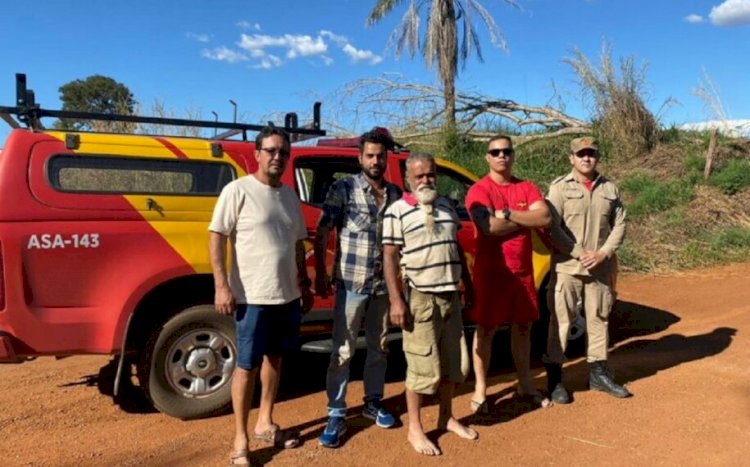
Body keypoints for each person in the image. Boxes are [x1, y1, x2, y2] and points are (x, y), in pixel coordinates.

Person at [209, 126, 314, 466]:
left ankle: (265, 421)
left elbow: (298, 243)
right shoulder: (237, 190)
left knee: (275, 359)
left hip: (287, 296)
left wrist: (304, 284)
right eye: (270, 150)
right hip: (251, 296)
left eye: (283, 152)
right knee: (246, 365)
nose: (277, 157)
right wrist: (221, 285)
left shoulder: (288, 196)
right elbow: (217, 237)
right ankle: (240, 439)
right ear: (256, 154)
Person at [382, 152, 477, 456]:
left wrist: (468, 283)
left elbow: (456, 248)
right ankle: (415, 429)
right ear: (408, 179)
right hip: (420, 298)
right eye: (419, 175)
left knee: (453, 364)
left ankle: (446, 416)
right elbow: (389, 256)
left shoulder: (447, 205)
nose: (426, 180)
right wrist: (396, 300)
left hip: (451, 295)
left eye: (430, 174)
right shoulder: (397, 210)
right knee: (421, 369)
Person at [314, 129, 401, 448]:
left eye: (380, 156)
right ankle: (336, 412)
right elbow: (324, 229)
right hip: (351, 282)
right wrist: (323, 271)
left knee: (379, 346)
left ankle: (373, 401)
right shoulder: (345, 188)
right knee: (343, 349)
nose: (376, 161)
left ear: (386, 158)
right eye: (370, 155)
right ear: (360, 157)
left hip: (382, 284)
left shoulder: (394, 193)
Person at [465, 135, 551, 412]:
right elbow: (489, 227)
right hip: (491, 273)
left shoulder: (526, 187)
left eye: (507, 151)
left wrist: (507, 214)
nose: (502, 155)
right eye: (496, 151)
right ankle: (480, 389)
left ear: (513, 155)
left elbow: (545, 218)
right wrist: (523, 218)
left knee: (523, 328)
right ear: (487, 157)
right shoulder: (479, 190)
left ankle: (525, 383)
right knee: (486, 330)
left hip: (523, 272)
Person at [544, 137, 631, 403]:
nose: (586, 158)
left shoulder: (610, 189)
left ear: (597, 157)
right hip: (568, 267)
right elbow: (551, 226)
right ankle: (555, 380)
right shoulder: (559, 188)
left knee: (598, 319)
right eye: (580, 154)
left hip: (600, 268)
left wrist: (604, 253)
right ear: (572, 158)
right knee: (560, 321)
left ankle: (598, 374)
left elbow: (621, 224)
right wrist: (578, 252)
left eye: (591, 154)